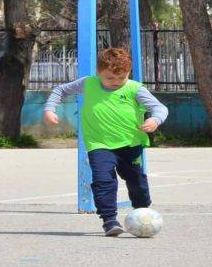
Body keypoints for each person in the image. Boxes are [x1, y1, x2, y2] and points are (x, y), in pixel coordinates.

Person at [43, 48, 169, 236]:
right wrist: (50, 109)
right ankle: (109, 220)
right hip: (99, 144)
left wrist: (154, 120)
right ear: (99, 72)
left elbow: (159, 108)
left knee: (136, 180)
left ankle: (142, 210)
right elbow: (60, 90)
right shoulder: (88, 83)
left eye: (121, 78)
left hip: (130, 143)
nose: (115, 83)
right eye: (109, 78)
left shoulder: (135, 88)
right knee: (103, 181)